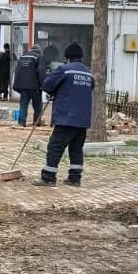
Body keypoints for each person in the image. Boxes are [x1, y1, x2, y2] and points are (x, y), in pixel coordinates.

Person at [34, 41, 94, 188]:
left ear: (67, 57)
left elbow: (47, 85)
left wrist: (55, 91)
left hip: (67, 117)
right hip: (83, 119)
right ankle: (75, 178)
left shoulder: (64, 70)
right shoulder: (88, 74)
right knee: (76, 148)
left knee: (55, 146)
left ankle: (48, 177)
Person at [12, 42, 44, 127]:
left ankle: (21, 122)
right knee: (37, 105)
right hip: (34, 86)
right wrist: (43, 84)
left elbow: (17, 71)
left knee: (23, 104)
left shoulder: (23, 57)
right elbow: (41, 71)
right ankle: (37, 121)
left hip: (23, 86)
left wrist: (16, 85)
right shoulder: (39, 57)